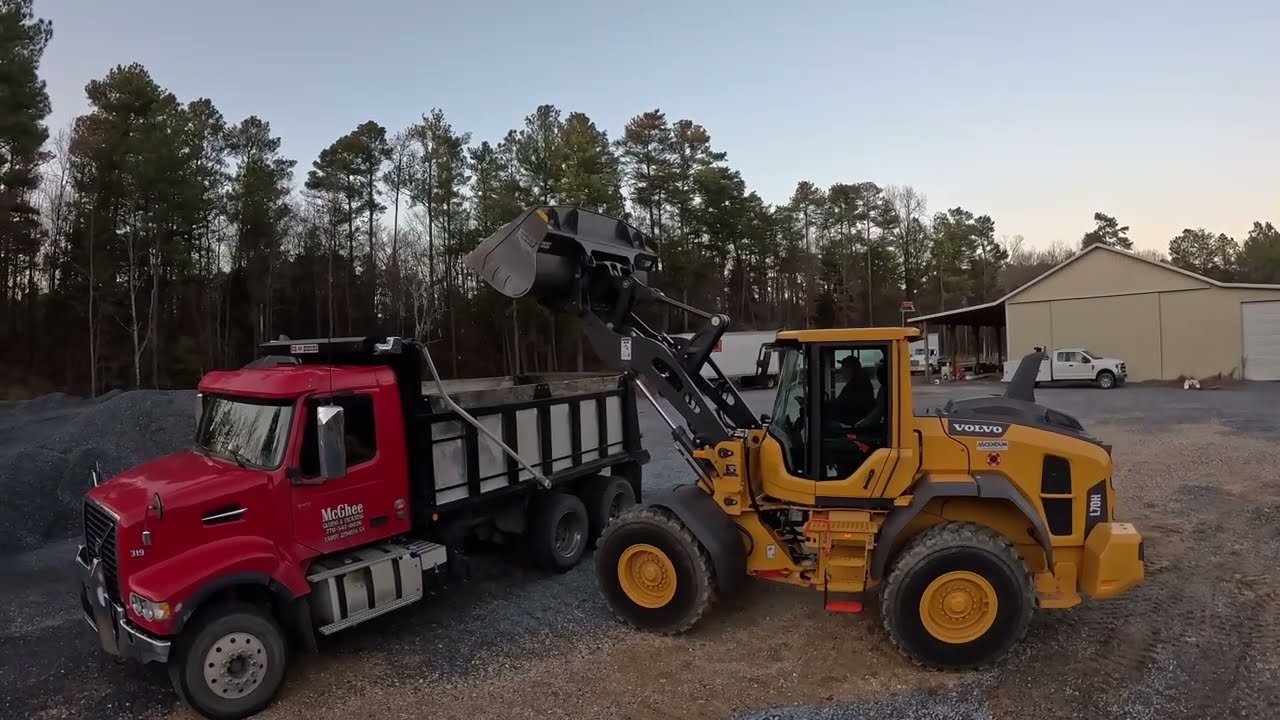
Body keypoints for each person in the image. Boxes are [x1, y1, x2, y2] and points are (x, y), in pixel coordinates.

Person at [831, 355, 874, 425]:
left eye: (844, 366)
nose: (841, 369)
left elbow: (842, 403)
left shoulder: (857, 385)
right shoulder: (858, 383)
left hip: (852, 423)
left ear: (851, 369)